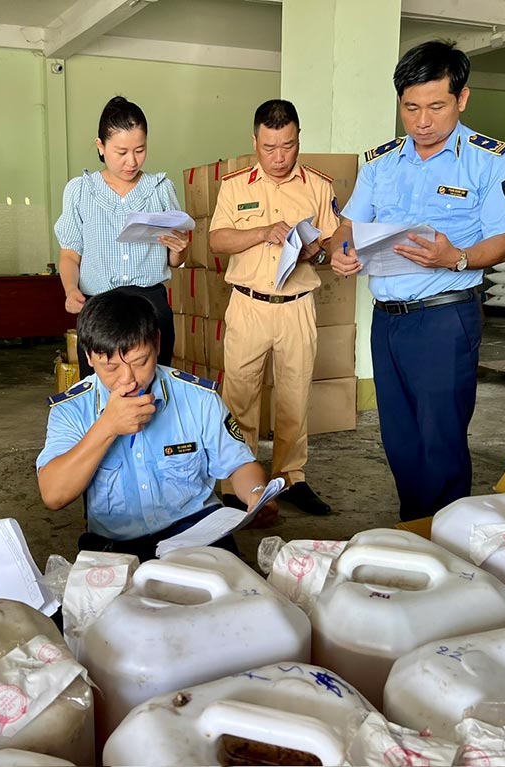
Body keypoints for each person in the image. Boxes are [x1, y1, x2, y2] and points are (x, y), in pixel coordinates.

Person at [326, 41, 505, 521]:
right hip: (388, 321)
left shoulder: (489, 160)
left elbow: (503, 242)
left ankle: (450, 537)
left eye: (436, 106)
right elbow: (347, 227)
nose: (422, 120)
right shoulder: (381, 162)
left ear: (461, 100)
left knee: (440, 436)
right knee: (398, 436)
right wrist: (342, 252)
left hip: (445, 317)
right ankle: (415, 527)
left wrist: (455, 256)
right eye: (411, 107)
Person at [36, 291, 278, 561]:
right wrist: (107, 427)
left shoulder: (198, 398)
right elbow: (53, 495)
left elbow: (239, 464)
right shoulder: (72, 410)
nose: (128, 379)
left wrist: (257, 493)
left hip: (197, 533)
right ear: (89, 357)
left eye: (140, 362)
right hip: (116, 546)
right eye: (111, 368)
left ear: (157, 343)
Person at [208, 99, 338, 519]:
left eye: (288, 145)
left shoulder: (318, 185)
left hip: (297, 306)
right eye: (269, 147)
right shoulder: (234, 185)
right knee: (240, 395)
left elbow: (333, 243)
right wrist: (263, 232)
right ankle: (237, 482)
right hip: (248, 304)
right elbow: (216, 241)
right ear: (255, 142)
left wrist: (313, 253)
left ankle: (292, 477)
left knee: (295, 398)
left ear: (298, 140)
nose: (279, 157)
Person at [55, 95, 188, 378]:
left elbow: (175, 260)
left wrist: (180, 249)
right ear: (100, 147)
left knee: (154, 388)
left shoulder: (160, 189)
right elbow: (69, 254)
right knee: (101, 391)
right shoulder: (80, 191)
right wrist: (70, 290)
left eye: (140, 150)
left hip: (150, 307)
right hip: (99, 308)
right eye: (121, 152)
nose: (131, 161)